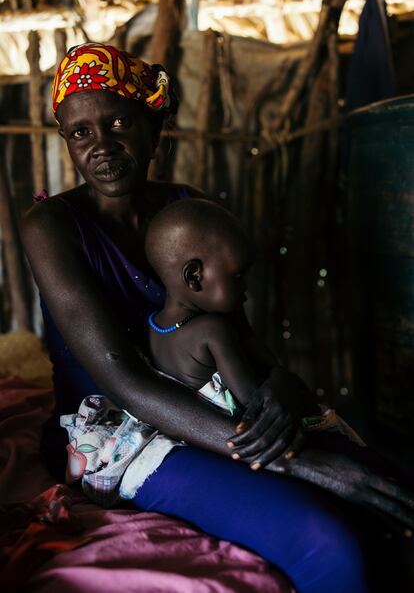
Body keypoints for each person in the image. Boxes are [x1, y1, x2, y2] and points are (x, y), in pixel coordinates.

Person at [20, 42, 412, 593]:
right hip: (122, 431)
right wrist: (294, 462)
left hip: (216, 408)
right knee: (329, 544)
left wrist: (278, 385)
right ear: (67, 142)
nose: (101, 147)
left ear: (154, 126)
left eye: (118, 123)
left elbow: (241, 337)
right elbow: (122, 380)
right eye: (81, 133)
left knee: (386, 490)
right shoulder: (52, 225)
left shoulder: (186, 207)